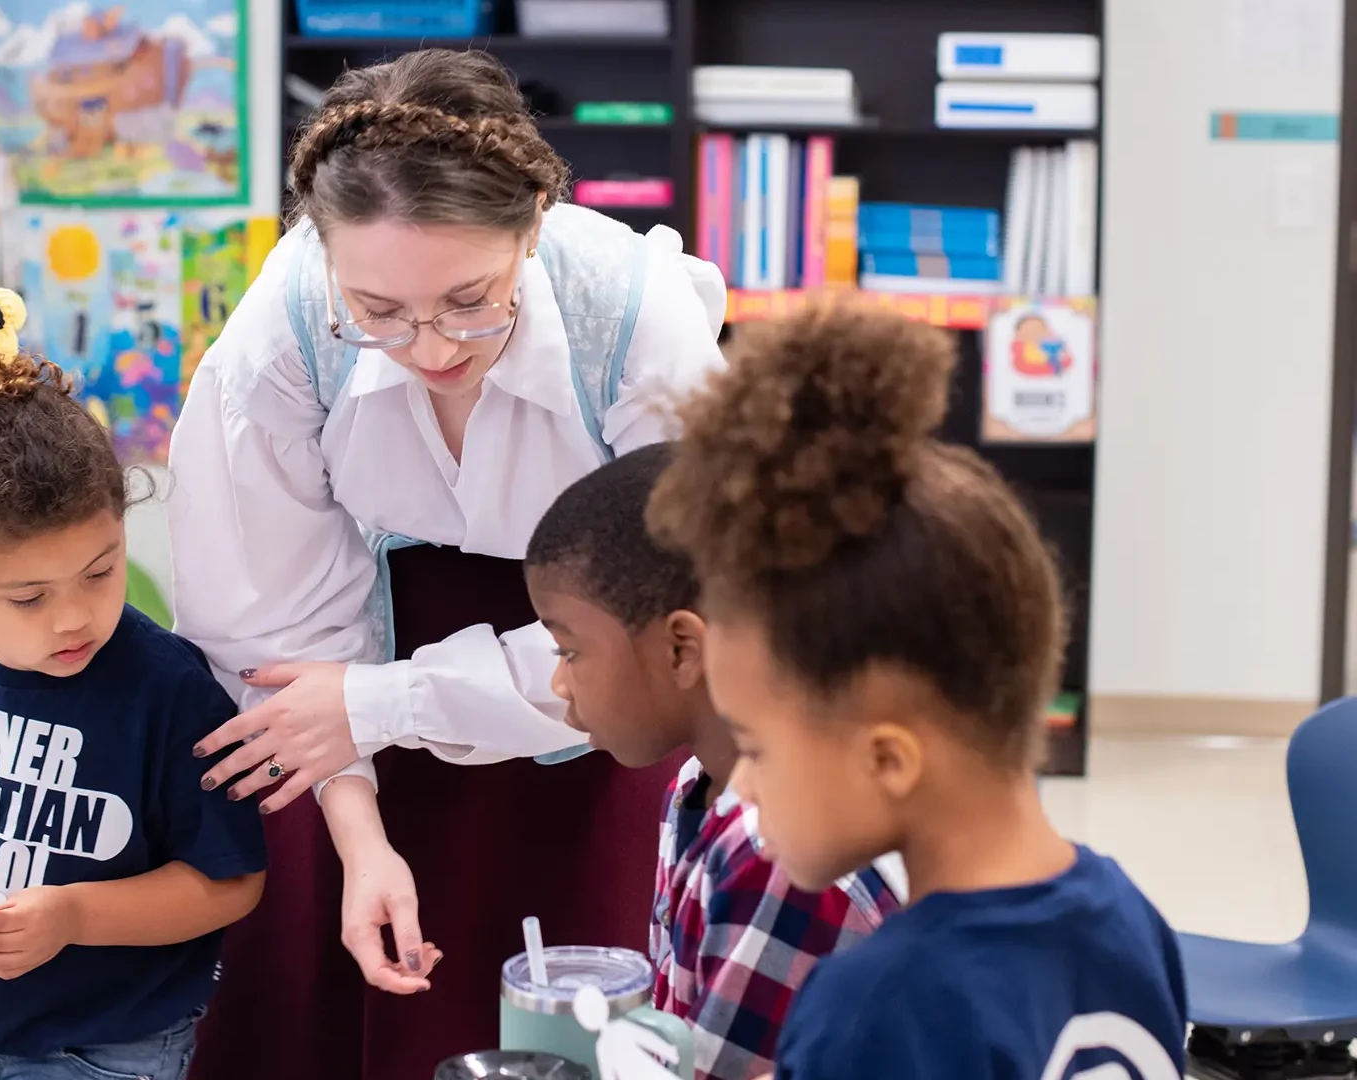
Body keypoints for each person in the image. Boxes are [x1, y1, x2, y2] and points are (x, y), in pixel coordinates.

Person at [167, 48, 728, 1080]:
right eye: (378, 312)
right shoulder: (289, 324)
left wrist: (387, 702)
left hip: (594, 687)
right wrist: (357, 824)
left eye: (472, 300)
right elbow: (272, 617)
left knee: (574, 1004)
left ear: (533, 227)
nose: (429, 348)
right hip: (337, 690)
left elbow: (666, 616)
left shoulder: (637, 321)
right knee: (320, 1017)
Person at [646, 300, 1187, 1080]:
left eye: (757, 746)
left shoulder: (874, 1008)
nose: (747, 787)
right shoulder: (1130, 918)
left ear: (890, 758)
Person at [0, 291, 268, 1080]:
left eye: (101, 572)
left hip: (109, 1050)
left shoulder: (169, 690)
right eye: (28, 598)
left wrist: (73, 915)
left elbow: (227, 881)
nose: (74, 618)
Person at [523, 445, 901, 1080]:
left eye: (570, 651)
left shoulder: (780, 855)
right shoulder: (694, 790)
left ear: (681, 648)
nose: (560, 684)